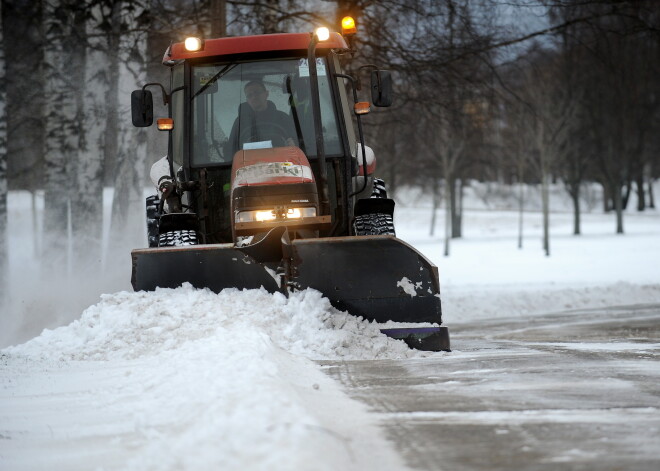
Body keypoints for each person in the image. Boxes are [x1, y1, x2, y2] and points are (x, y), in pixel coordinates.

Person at [227, 80, 296, 155]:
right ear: (247, 100)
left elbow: (297, 144)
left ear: (266, 94)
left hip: (282, 162)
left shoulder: (283, 118)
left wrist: (293, 145)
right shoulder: (240, 122)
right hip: (248, 164)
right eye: (249, 95)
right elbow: (230, 150)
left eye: (257, 92)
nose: (254, 97)